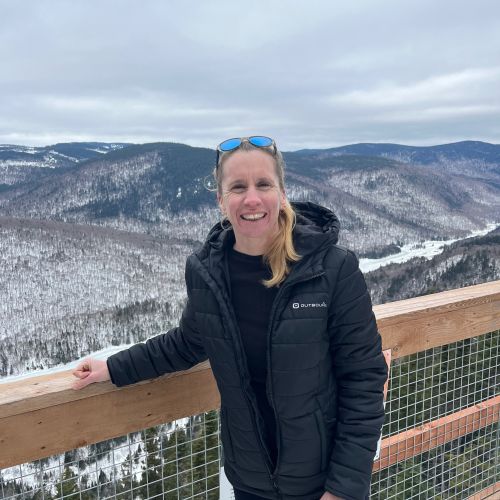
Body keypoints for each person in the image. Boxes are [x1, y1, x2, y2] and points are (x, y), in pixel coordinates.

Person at [73, 136, 388, 500]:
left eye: (263, 184)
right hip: (250, 480)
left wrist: (344, 488)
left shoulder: (331, 269)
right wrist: (112, 368)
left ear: (282, 194)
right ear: (221, 200)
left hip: (321, 482)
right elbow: (187, 343)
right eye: (238, 187)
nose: (251, 199)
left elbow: (364, 379)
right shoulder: (209, 274)